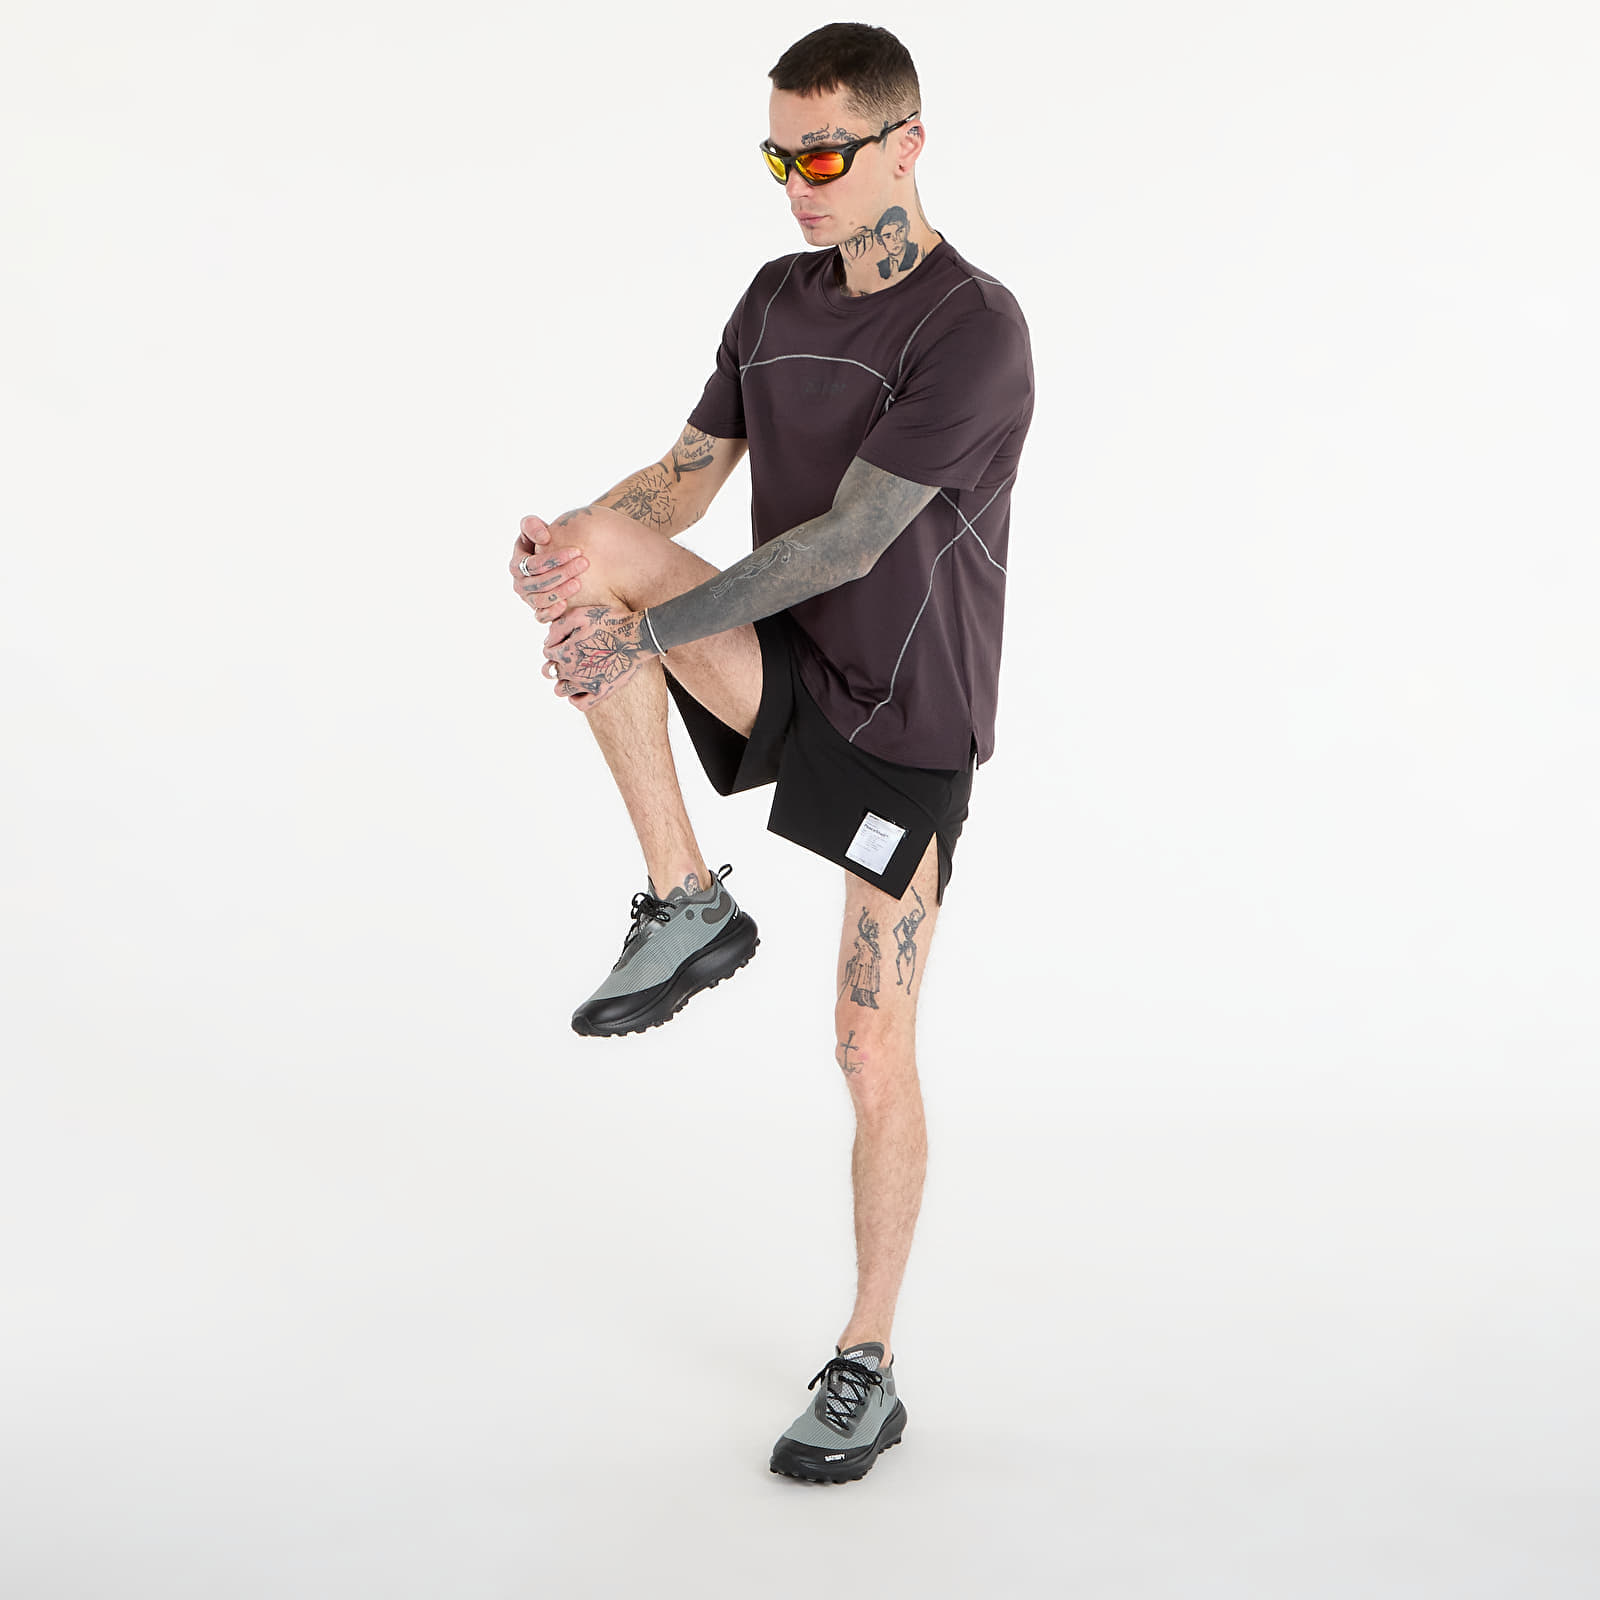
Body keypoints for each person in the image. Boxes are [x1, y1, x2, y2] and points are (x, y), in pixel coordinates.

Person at [509, 21, 1033, 1484]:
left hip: (907, 725)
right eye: (780, 156)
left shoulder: (973, 327)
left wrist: (641, 633)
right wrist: (568, 555)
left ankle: (867, 1360)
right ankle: (689, 901)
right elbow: (686, 481)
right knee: (597, 558)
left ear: (906, 146)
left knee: (870, 1047)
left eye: (825, 155)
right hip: (785, 666)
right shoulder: (774, 297)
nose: (799, 184)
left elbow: (848, 540)